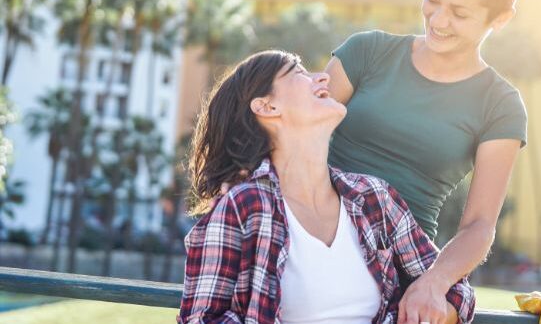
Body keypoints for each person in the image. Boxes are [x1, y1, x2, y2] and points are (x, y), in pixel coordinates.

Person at [325, 0, 533, 321]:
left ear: (500, 18)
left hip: (401, 254)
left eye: (459, 13)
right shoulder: (367, 52)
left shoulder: (500, 105)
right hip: (318, 227)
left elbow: (478, 225)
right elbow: (296, 136)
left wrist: (434, 283)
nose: (438, 20)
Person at [178, 50, 475, 324]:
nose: (322, 77)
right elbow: (200, 319)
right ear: (267, 106)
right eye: (299, 72)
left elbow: (455, 291)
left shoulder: (374, 198)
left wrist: (427, 307)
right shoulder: (242, 206)